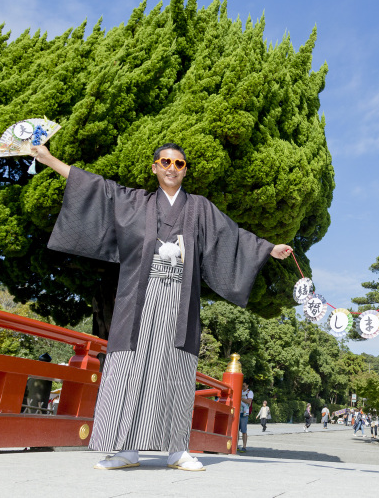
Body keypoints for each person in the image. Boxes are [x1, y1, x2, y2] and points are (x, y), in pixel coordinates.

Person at [34, 144, 292, 471]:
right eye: (165, 161)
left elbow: (232, 236)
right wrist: (49, 160)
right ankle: (125, 450)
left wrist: (268, 248)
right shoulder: (135, 201)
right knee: (128, 368)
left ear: (185, 170)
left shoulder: (199, 208)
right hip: (138, 298)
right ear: (154, 167)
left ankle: (177, 451)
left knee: (176, 371)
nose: (172, 167)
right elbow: (98, 187)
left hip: (180, 300)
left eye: (179, 163)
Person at [239, 381, 254, 452]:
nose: (242, 387)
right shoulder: (240, 391)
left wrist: (240, 398)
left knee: (244, 431)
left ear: (247, 386)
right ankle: (236, 445)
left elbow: (249, 401)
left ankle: (244, 446)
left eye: (244, 386)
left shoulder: (250, 392)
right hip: (238, 411)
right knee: (236, 430)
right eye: (242, 386)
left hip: (244, 413)